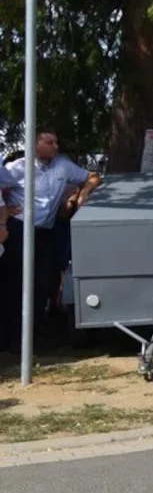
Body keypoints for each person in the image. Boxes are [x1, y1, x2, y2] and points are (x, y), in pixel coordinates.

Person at [1, 128, 102, 352]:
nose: (56, 146)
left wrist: (81, 193)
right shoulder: (17, 168)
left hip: (45, 232)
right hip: (19, 231)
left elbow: (92, 176)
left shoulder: (63, 165)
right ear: (35, 144)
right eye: (49, 142)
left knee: (43, 283)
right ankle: (11, 338)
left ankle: (33, 334)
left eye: (56, 142)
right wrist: (3, 210)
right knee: (16, 283)